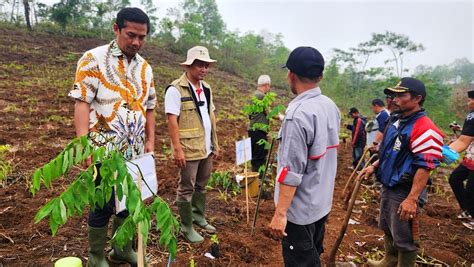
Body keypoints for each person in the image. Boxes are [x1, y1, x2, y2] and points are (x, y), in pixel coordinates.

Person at [69, 7, 156, 266]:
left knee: (129, 200)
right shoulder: (92, 59)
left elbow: (150, 107)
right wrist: (84, 144)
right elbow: (81, 102)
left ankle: (121, 248)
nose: (136, 42)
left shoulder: (146, 67)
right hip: (102, 149)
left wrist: (151, 140)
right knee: (103, 203)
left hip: (136, 151)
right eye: (131, 35)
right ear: (116, 28)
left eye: (142, 37)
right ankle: (96, 255)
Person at [268, 46, 340, 266]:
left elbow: (291, 172)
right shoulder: (329, 105)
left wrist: (280, 214)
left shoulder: (297, 116)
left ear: (291, 74)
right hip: (321, 202)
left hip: (299, 211)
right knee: (312, 253)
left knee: (301, 260)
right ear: (320, 76)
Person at [361, 77, 445, 266]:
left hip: (406, 189)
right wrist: (374, 166)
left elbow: (425, 167)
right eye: (395, 95)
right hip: (389, 183)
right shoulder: (396, 120)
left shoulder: (425, 129)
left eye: (402, 95)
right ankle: (389, 260)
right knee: (388, 226)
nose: (395, 99)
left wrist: (412, 199)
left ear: (417, 98)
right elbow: (389, 152)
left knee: (404, 235)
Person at [164, 46, 219, 243]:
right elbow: (172, 121)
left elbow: (210, 116)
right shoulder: (175, 90)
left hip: (206, 147)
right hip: (188, 149)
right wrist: (177, 149)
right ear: (189, 66)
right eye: (200, 65)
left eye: (206, 65)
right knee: (186, 188)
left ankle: (198, 216)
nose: (204, 69)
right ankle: (186, 227)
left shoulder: (206, 88)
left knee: (201, 186)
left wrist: (214, 143)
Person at [446, 84, 474, 229]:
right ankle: (467, 210)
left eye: (470, 100)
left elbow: (463, 141)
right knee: (455, 178)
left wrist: (443, 151)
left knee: (471, 190)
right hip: (471, 157)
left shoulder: (472, 115)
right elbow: (466, 137)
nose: (468, 103)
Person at [248, 74, 271, 172]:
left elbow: (249, 115)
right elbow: (270, 113)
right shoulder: (261, 96)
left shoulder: (253, 95)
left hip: (253, 131)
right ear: (266, 85)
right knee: (260, 157)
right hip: (259, 131)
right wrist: (283, 117)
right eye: (269, 86)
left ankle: (255, 179)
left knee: (256, 156)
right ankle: (258, 180)